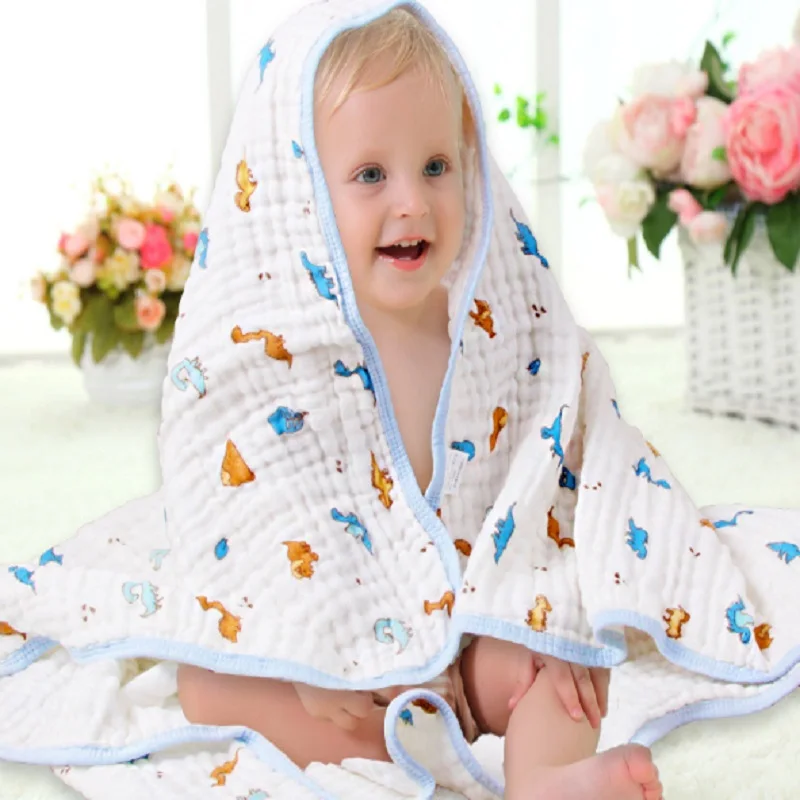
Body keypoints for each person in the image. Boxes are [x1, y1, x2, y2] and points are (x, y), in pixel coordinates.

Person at [177, 8, 663, 800]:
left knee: (560, 650)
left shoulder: (496, 331)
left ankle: (542, 775)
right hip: (341, 656)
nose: (412, 202)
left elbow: (560, 459)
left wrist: (554, 587)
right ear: (300, 191)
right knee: (208, 681)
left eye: (436, 166)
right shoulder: (280, 351)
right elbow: (257, 510)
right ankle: (407, 751)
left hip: (474, 637)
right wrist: (311, 650)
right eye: (371, 175)